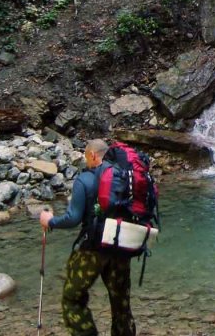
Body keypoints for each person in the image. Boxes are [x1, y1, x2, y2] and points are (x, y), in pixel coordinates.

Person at [40, 139, 136, 336]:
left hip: (93, 250)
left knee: (72, 298)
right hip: (121, 248)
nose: (86, 161)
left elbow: (73, 218)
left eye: (86, 157)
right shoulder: (124, 176)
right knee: (121, 305)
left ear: (92, 155)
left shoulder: (85, 180)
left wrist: (50, 221)